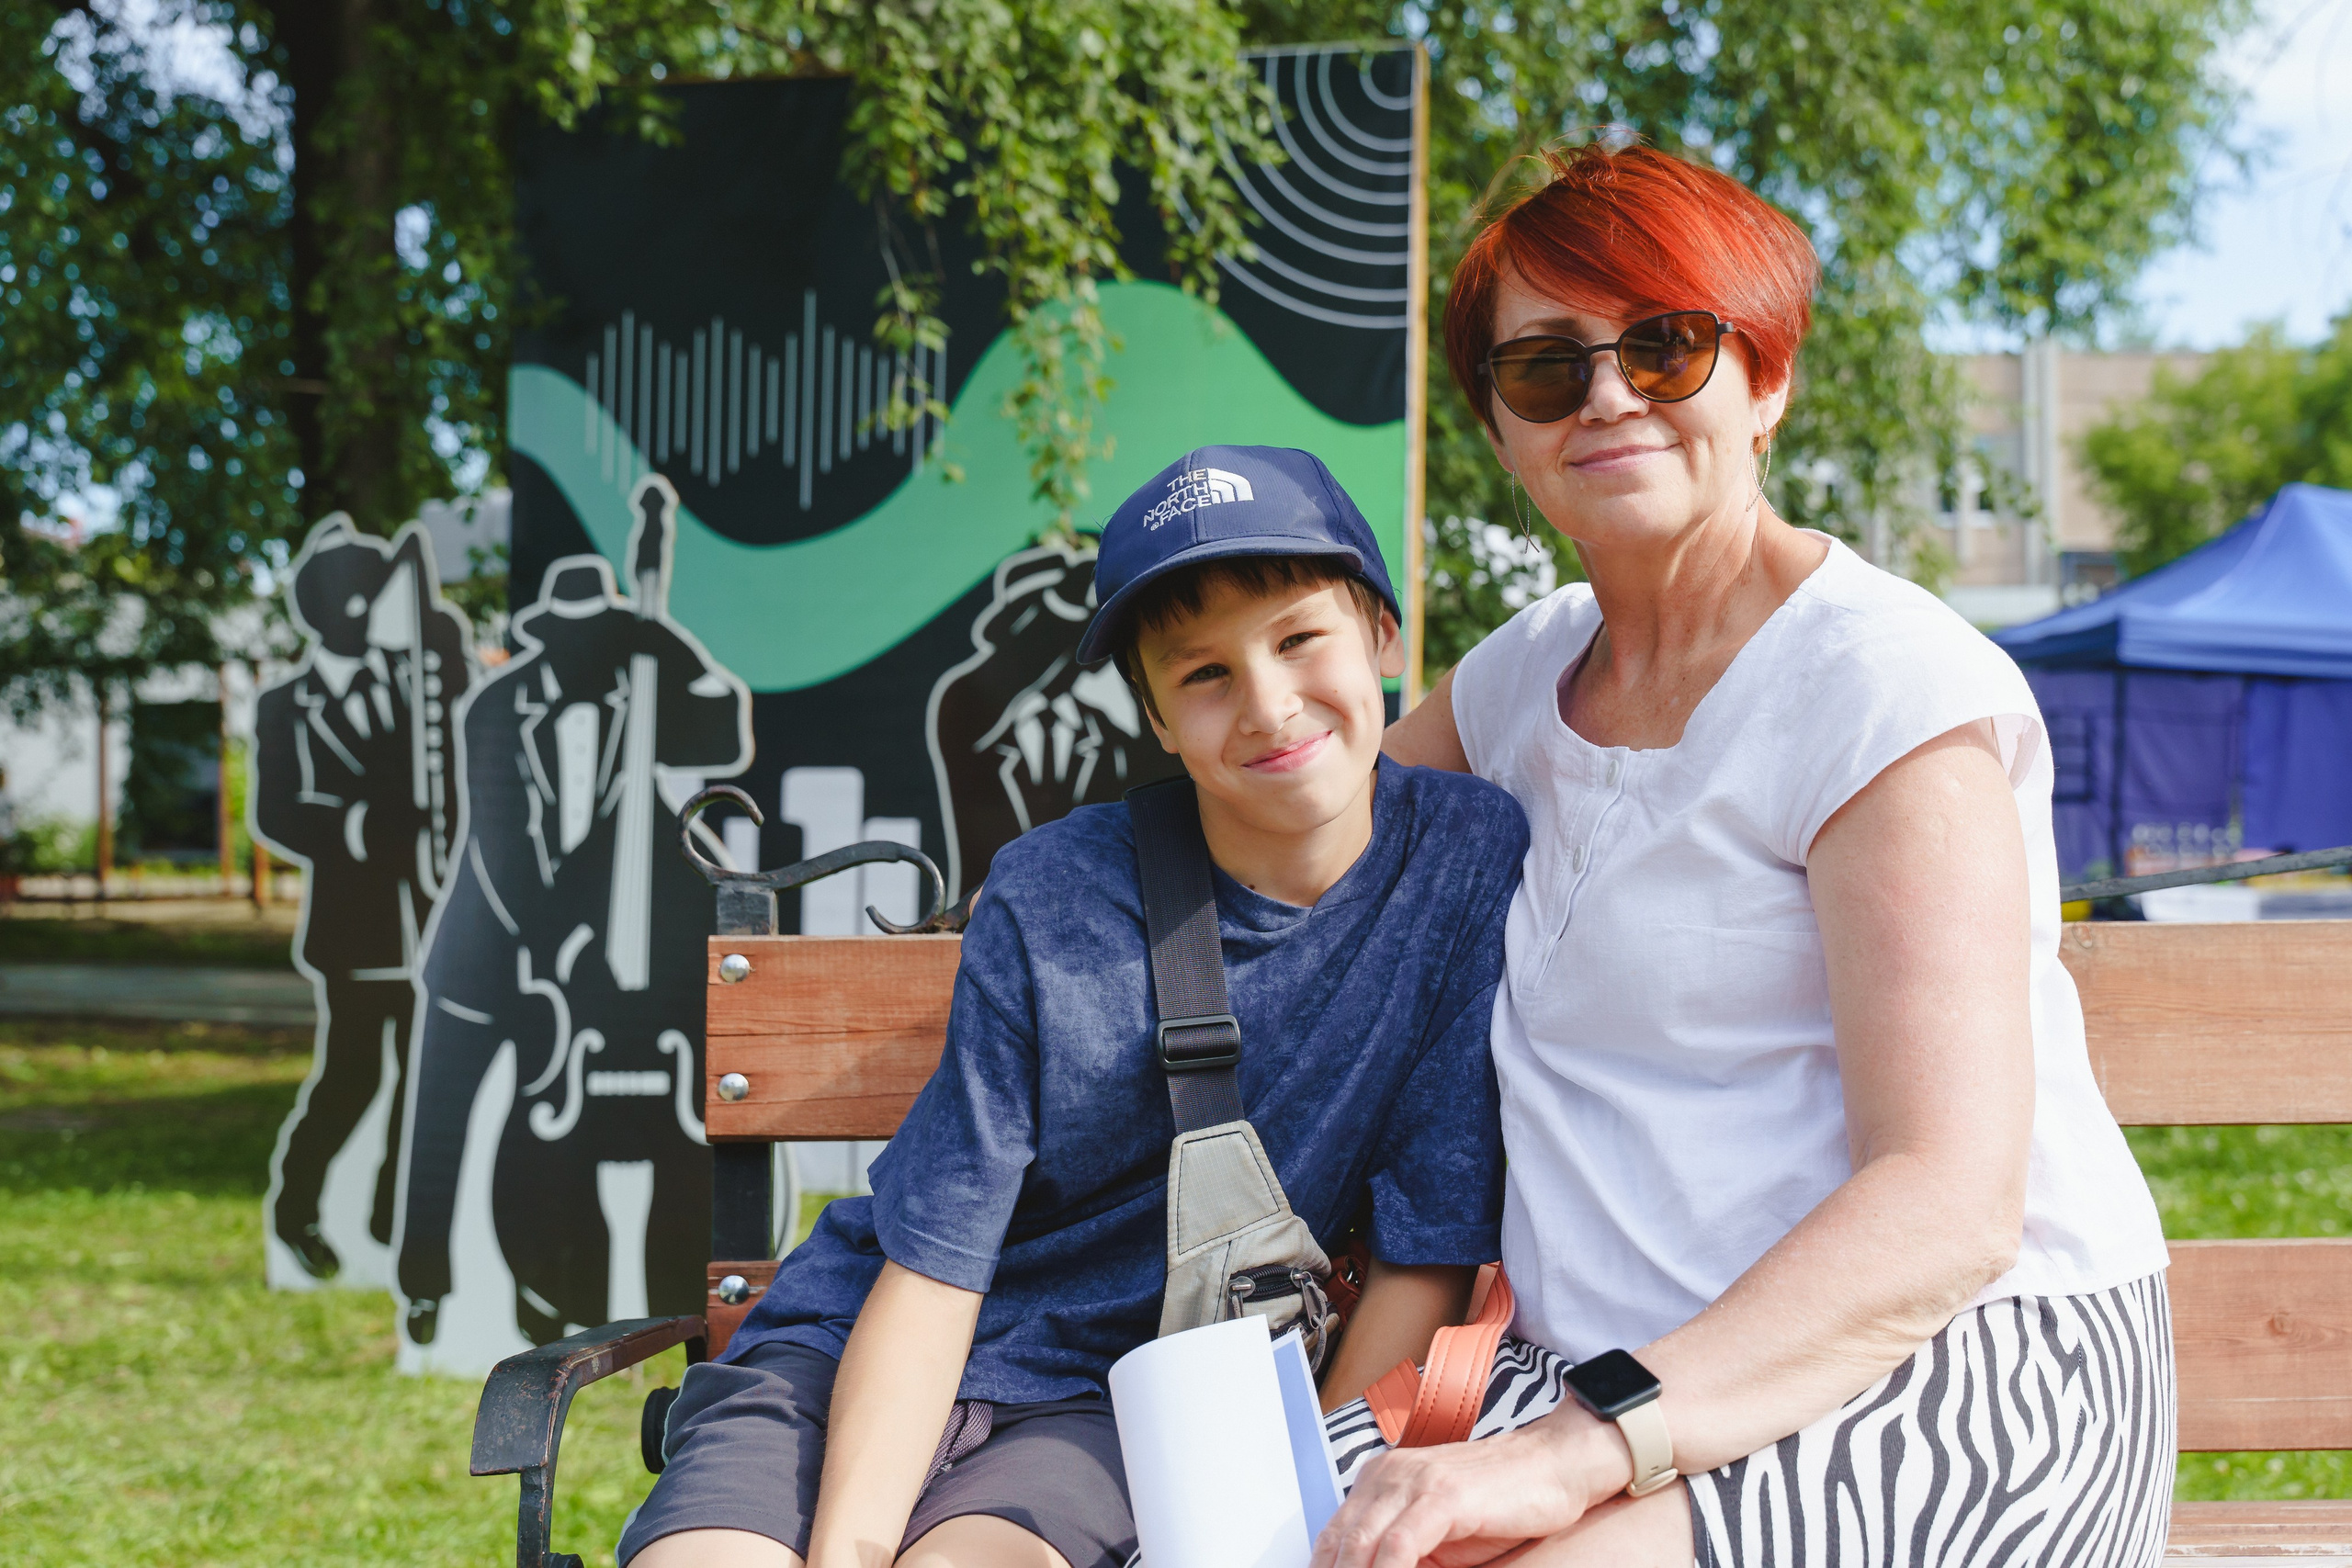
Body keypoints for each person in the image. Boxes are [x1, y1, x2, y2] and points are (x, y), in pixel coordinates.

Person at [1321, 144, 2173, 1568]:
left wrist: (1573, 1448)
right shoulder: (1522, 677)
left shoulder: (1879, 689)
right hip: (1613, 1369)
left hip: (1938, 1366)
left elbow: (1947, 1208)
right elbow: (1307, 854)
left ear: (1765, 381)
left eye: (1666, 346)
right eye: (1545, 369)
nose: (1606, 395)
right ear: (1503, 428)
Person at [621, 445, 1530, 1568]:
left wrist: (1303, 1508)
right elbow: (934, 1265)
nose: (1268, 704)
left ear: (1383, 638)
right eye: (1203, 676)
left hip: (1113, 1401)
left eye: (1301, 639)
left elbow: (1422, 1256)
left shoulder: (1464, 863)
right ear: (1153, 717)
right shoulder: (1056, 889)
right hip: (852, 1345)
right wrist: (848, 1544)